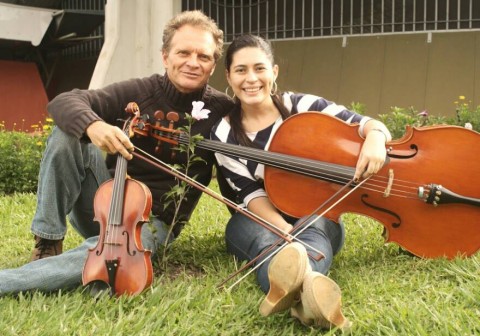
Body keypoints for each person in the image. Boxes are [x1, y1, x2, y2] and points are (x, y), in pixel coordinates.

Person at [0, 10, 233, 295]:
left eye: (203, 56)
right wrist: (93, 124)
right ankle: (48, 243)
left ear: (213, 65)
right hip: (102, 204)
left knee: (112, 259)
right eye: (183, 52)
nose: (192, 63)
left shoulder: (223, 110)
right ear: (165, 56)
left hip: (153, 221)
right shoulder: (140, 91)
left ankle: (8, 282)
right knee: (67, 132)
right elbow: (65, 101)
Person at [211, 34, 392, 330]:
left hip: (316, 214)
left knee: (314, 227)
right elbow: (250, 195)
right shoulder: (223, 133)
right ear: (229, 77)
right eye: (241, 70)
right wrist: (285, 231)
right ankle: (310, 294)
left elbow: (366, 123)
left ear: (274, 72)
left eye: (260, 68)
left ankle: (293, 286)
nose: (251, 78)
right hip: (261, 220)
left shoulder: (303, 105)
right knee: (260, 239)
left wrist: (375, 137)